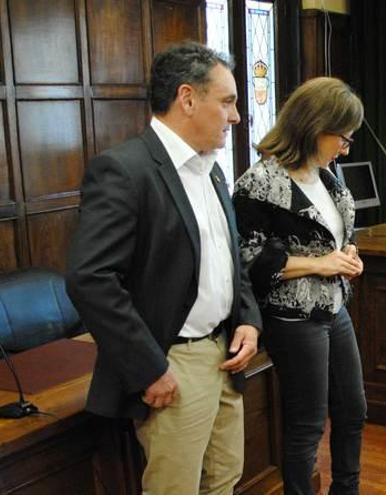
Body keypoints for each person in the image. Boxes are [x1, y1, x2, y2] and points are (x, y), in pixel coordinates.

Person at [66, 42, 262, 494]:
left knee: (225, 480)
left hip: (225, 354)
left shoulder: (211, 169)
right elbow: (89, 278)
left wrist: (248, 320)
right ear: (188, 98)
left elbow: (230, 257)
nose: (235, 117)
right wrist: (148, 368)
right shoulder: (125, 169)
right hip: (174, 362)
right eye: (228, 101)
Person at [233, 76, 366, 495]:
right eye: (343, 138)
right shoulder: (259, 184)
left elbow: (335, 238)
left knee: (352, 411)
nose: (346, 148)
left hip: (334, 307)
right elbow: (247, 260)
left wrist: (347, 258)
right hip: (292, 316)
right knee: (307, 423)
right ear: (315, 126)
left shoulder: (327, 177)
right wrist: (320, 264)